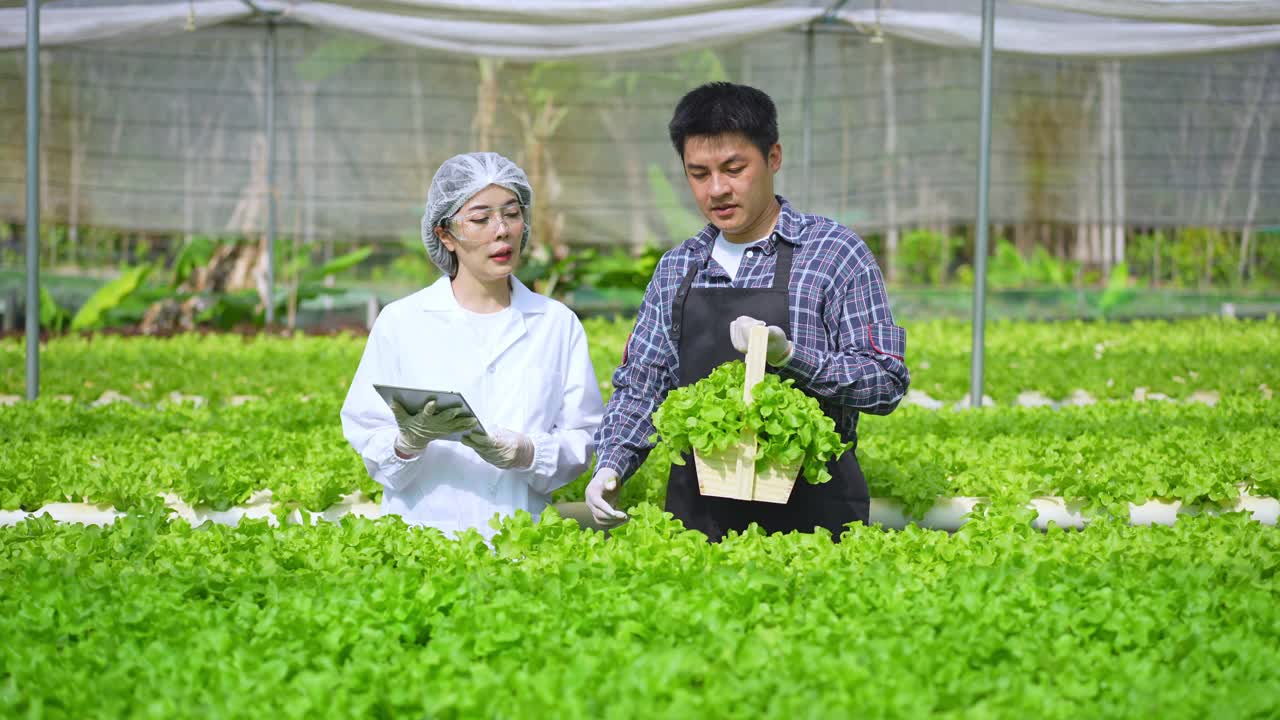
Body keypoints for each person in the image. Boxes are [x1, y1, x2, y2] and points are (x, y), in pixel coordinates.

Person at [585, 82, 910, 541]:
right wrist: (612, 464)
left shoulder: (834, 253)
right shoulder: (679, 266)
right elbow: (643, 382)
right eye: (699, 174)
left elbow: (886, 383)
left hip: (815, 526)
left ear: (773, 158)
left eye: (734, 169)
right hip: (698, 522)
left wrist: (791, 356)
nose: (717, 189)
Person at [341, 152, 603, 539]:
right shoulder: (402, 322)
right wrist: (405, 444)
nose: (502, 231)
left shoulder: (556, 324)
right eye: (481, 219)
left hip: (522, 536)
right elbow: (366, 427)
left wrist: (530, 453)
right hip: (423, 538)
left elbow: (583, 433)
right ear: (445, 234)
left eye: (512, 214)